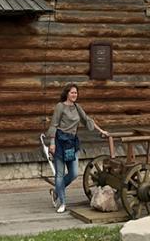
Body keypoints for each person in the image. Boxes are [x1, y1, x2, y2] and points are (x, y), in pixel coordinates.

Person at [47, 83, 107, 213]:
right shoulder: (60, 107)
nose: (74, 95)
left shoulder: (77, 107)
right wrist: (52, 143)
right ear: (67, 94)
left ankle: (56, 191)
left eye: (76, 93)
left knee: (73, 173)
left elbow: (87, 120)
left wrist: (101, 130)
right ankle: (62, 203)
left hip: (72, 143)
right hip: (59, 142)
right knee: (59, 174)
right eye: (72, 92)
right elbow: (54, 125)